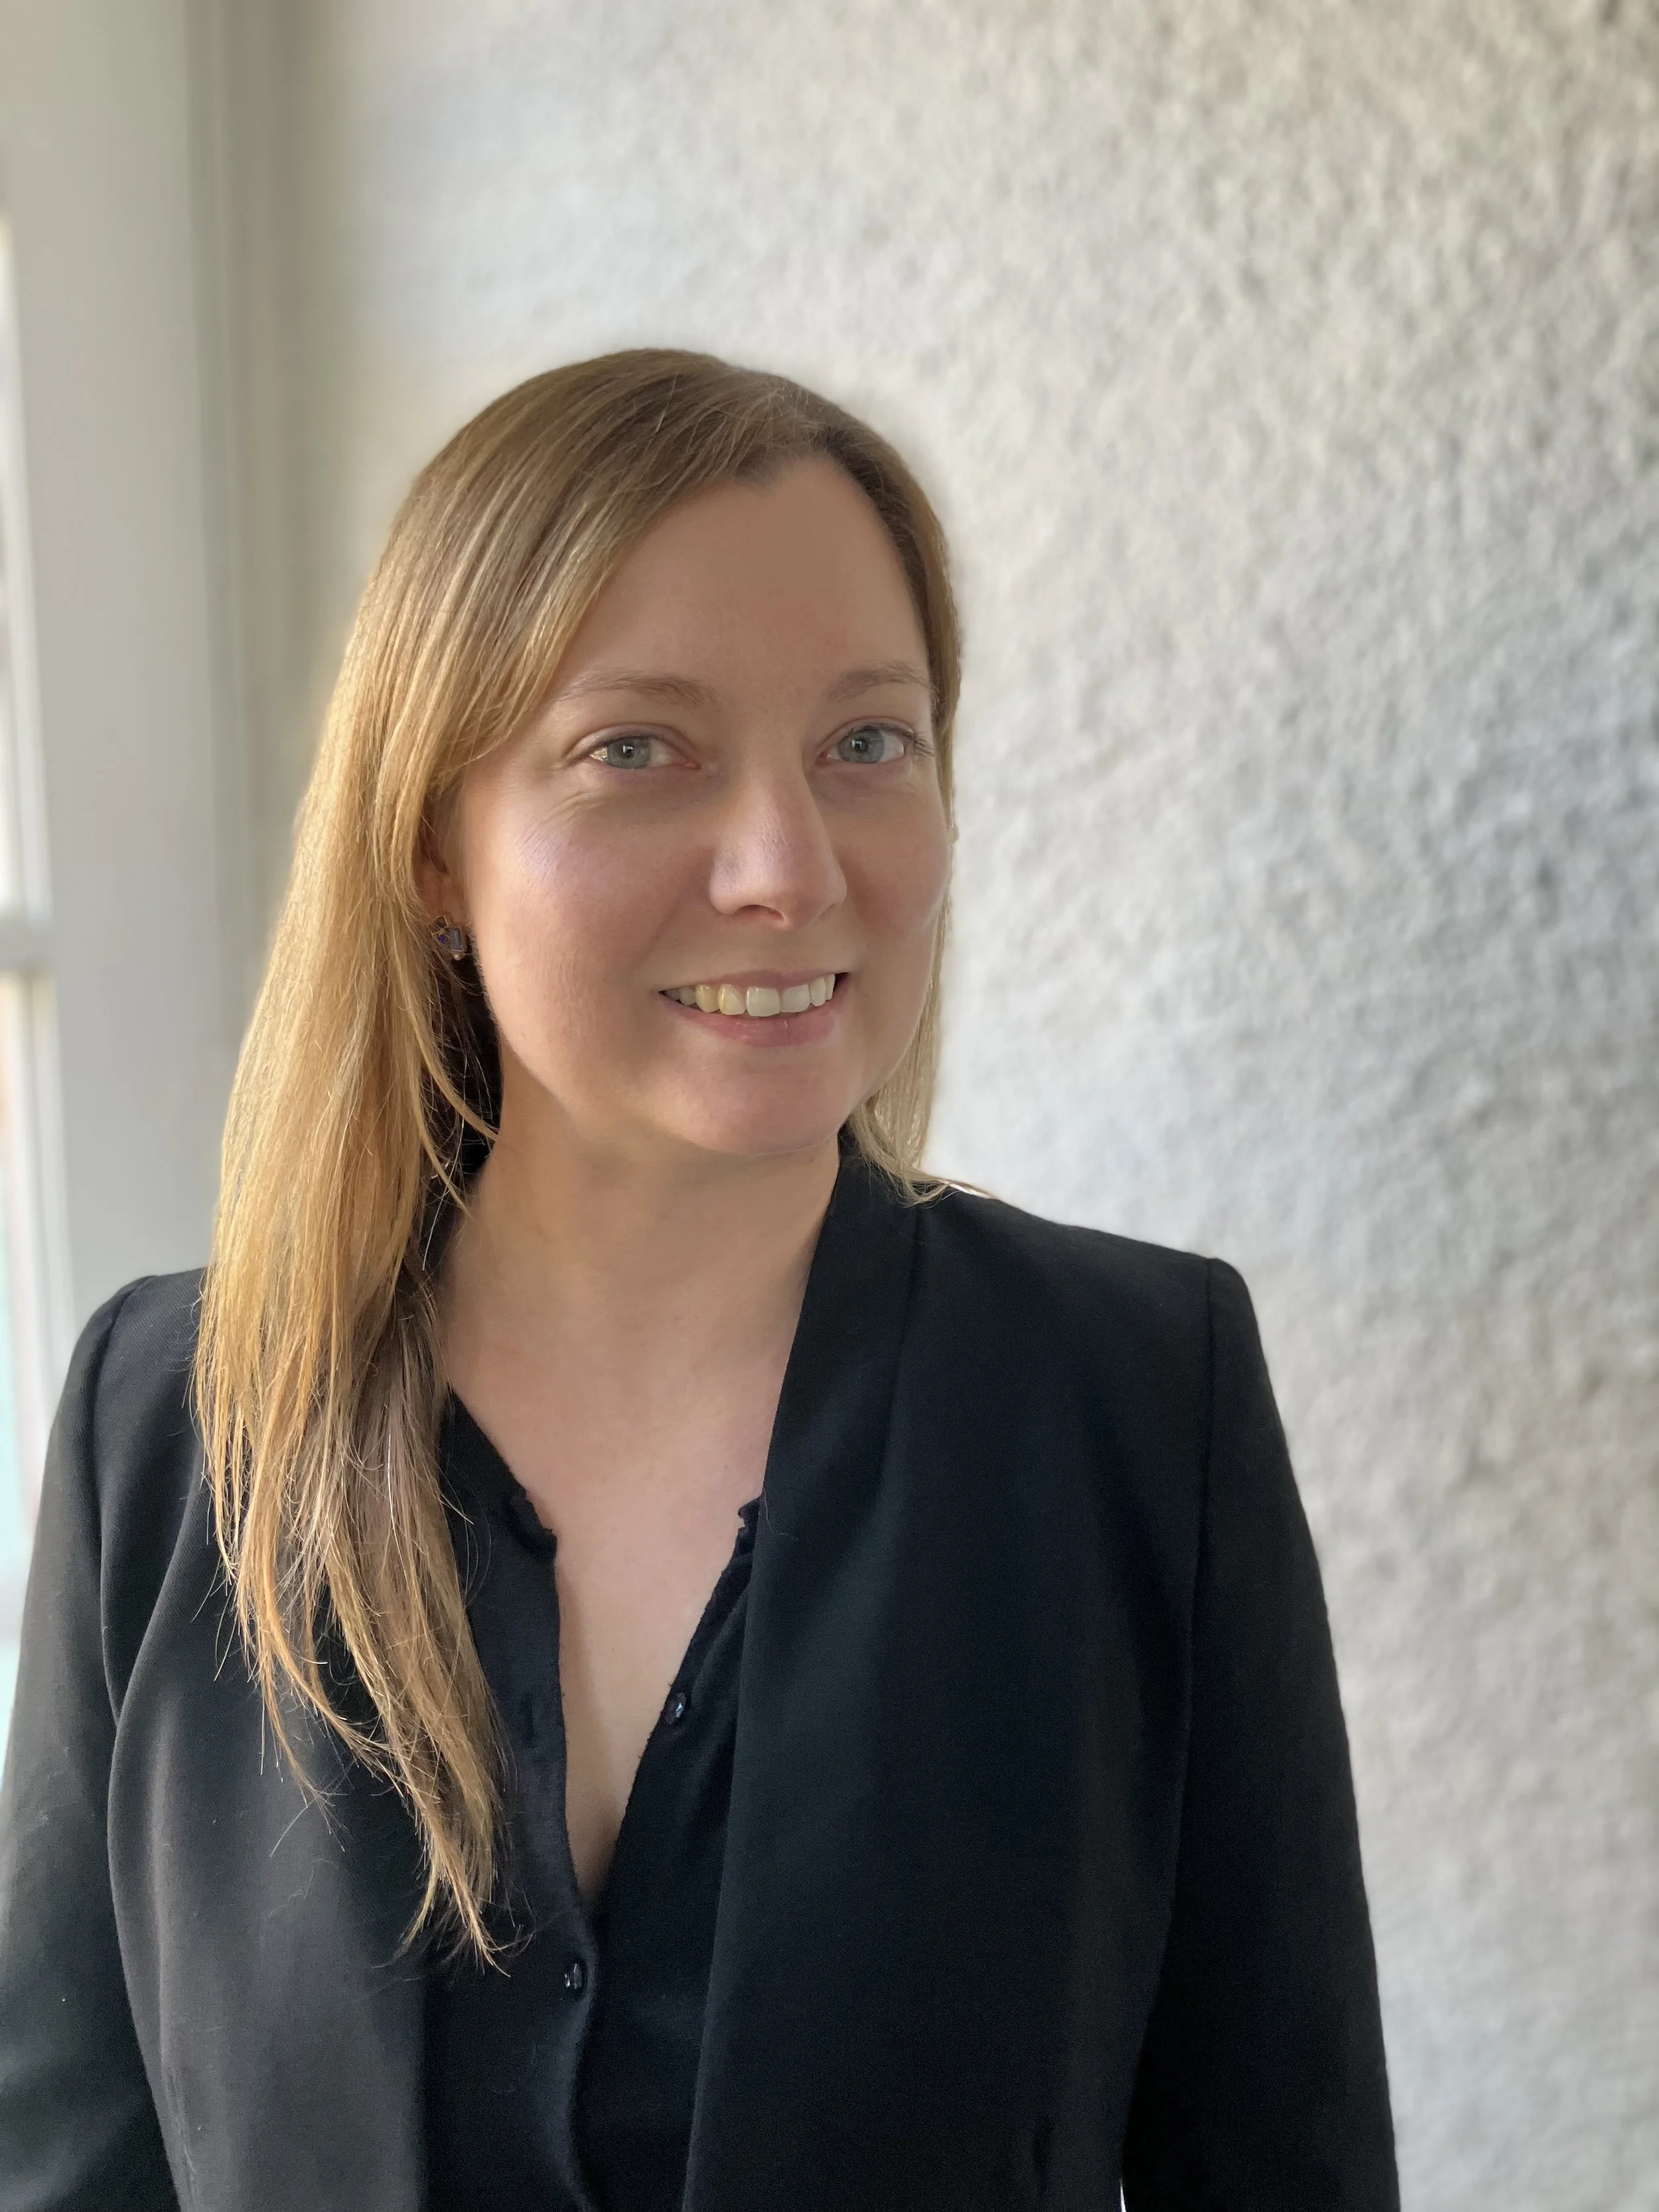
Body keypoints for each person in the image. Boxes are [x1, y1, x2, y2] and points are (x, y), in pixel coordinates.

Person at [0, 350, 1399, 2211]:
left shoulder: (1138, 1397)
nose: (783, 867)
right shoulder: (176, 1422)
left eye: (867, 743)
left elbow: (1287, 2164)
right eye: (637, 749)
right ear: (430, 841)